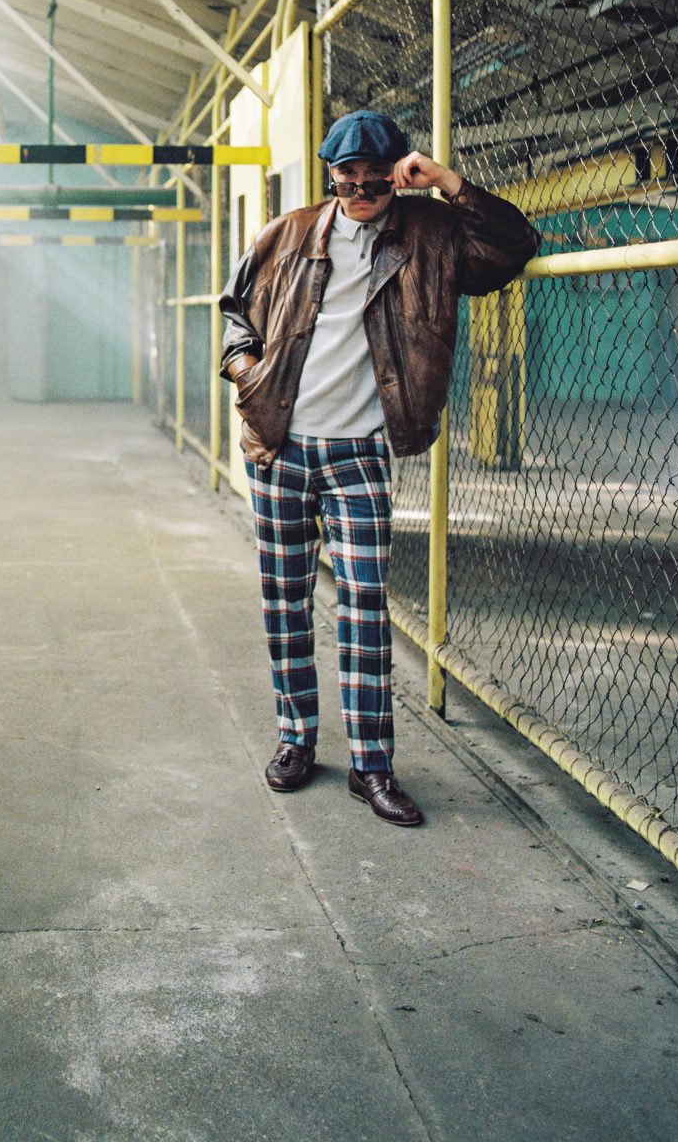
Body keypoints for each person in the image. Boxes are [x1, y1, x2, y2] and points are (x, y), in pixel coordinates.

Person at [218, 110, 539, 825]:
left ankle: (372, 766)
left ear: (398, 175)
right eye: (348, 180)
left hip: (359, 452)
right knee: (285, 602)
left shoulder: (431, 234)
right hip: (279, 446)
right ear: (330, 176)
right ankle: (296, 740)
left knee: (365, 607)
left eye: (376, 180)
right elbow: (235, 311)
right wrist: (248, 374)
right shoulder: (291, 232)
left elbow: (513, 246)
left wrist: (448, 181)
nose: (361, 193)